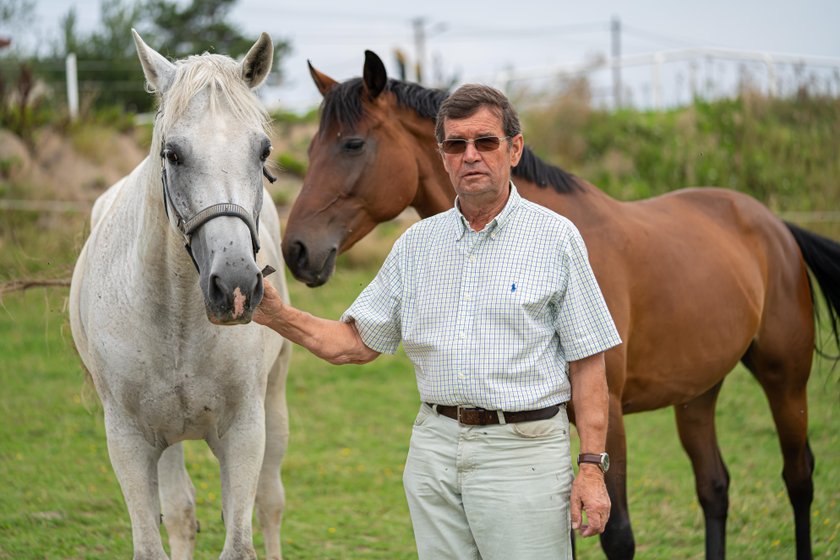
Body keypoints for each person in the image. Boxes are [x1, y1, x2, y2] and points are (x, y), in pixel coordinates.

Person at [253, 84, 622, 559]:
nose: (470, 155)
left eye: (485, 142)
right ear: (442, 155)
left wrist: (591, 466)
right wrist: (278, 315)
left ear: (514, 149)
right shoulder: (415, 245)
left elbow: (588, 362)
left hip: (523, 454)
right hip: (433, 451)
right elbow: (354, 343)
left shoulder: (556, 239)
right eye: (455, 144)